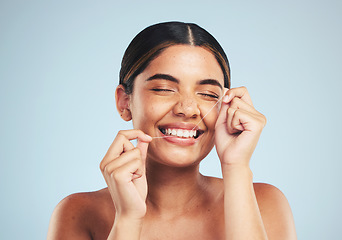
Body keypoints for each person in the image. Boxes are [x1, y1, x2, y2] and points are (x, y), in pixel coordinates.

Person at [47, 21, 297, 240]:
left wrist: (236, 168)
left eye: (208, 94)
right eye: (164, 89)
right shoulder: (78, 213)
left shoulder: (266, 204)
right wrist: (128, 219)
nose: (188, 109)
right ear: (125, 102)